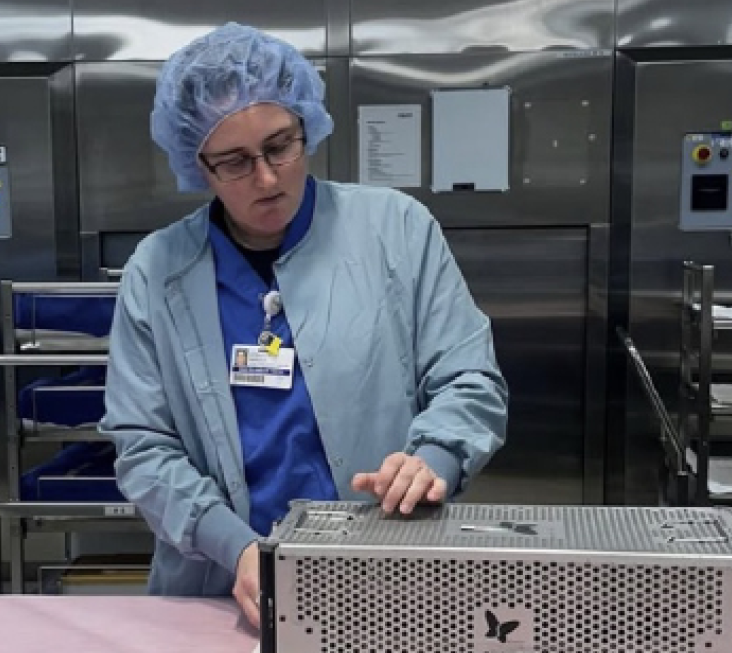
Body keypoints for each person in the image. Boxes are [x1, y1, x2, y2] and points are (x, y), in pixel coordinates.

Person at [100, 22, 508, 629]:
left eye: (280, 145)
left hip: (387, 572)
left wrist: (435, 456)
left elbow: (468, 378)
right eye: (235, 162)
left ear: (307, 128)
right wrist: (235, 546)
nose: (267, 177)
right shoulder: (158, 271)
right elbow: (144, 447)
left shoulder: (396, 229)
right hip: (219, 590)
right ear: (198, 165)